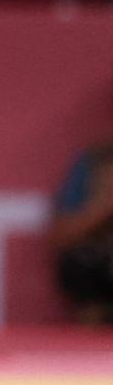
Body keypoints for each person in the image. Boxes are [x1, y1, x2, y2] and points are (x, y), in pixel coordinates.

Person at [51, 135, 113, 323]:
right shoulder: (95, 161)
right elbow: (61, 237)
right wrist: (104, 205)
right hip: (99, 264)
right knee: (83, 264)